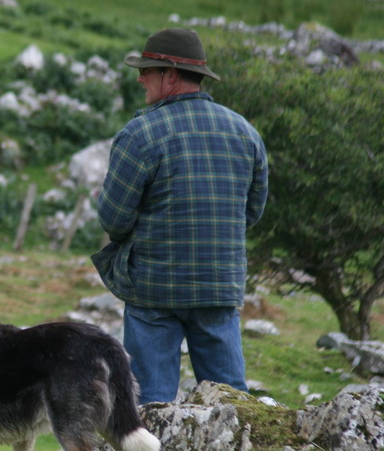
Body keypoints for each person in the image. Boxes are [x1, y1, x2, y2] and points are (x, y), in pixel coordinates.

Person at [92, 28, 269, 404]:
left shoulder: (139, 134)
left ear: (169, 75)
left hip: (154, 289)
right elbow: (251, 213)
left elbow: (113, 220)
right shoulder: (246, 133)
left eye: (147, 70)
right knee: (230, 402)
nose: (140, 77)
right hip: (220, 286)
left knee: (151, 404)